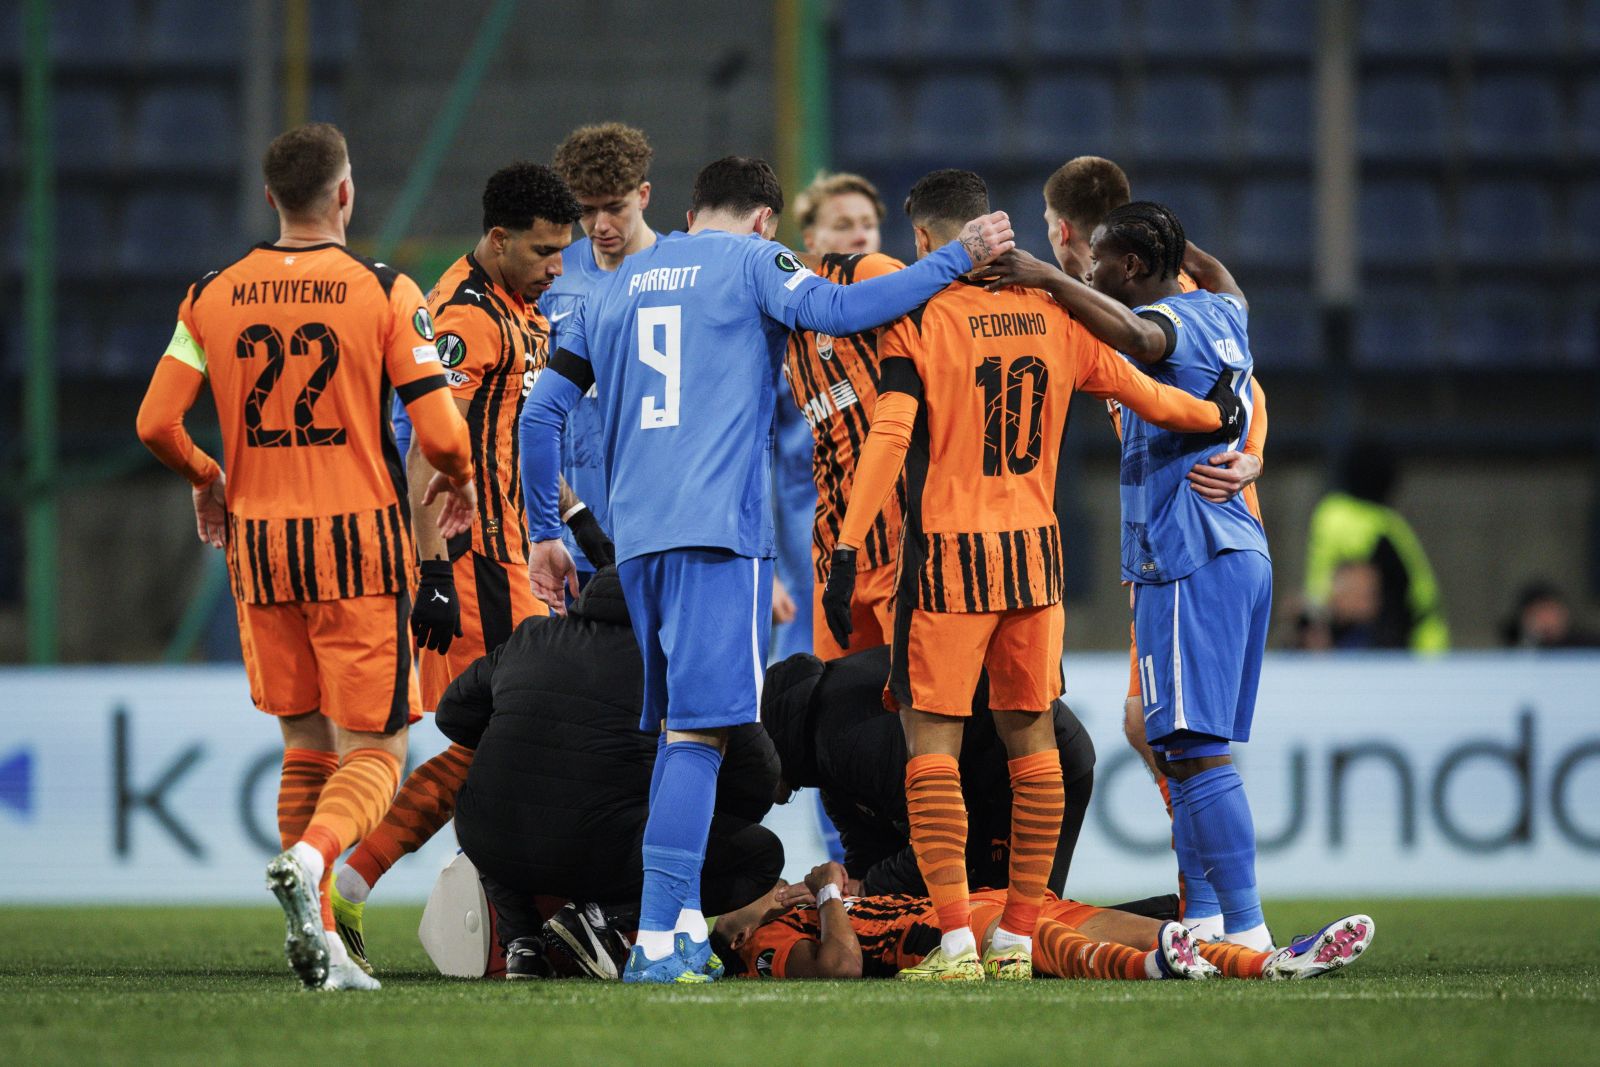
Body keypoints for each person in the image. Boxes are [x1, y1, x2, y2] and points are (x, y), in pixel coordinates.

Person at [520, 154, 1019, 983]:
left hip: (635, 544)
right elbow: (844, 306)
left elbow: (542, 414)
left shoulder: (616, 280)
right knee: (699, 735)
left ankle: (672, 926)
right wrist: (955, 258)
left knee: (679, 735)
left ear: (683, 205)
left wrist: (545, 529)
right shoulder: (756, 261)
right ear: (765, 220)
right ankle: (654, 943)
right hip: (717, 535)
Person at [821, 171, 1242, 981]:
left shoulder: (922, 314)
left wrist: (846, 548)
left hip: (947, 560)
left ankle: (954, 944)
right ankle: (1017, 934)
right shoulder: (1054, 313)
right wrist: (1217, 414)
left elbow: (890, 430)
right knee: (1033, 744)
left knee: (932, 751)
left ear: (925, 242)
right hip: (1034, 562)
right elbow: (1145, 391)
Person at [134, 122, 477, 991]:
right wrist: (461, 476)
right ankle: (317, 858)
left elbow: (154, 424)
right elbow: (439, 434)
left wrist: (209, 475)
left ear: (271, 199)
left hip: (259, 547)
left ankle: (320, 945)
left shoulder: (210, 294)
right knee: (378, 749)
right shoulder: (387, 291)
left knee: (303, 742)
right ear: (346, 194)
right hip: (357, 545)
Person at [980, 201, 1275, 952]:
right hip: (1234, 547)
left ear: (1135, 267)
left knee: (1196, 748)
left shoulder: (1170, 326)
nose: (1094, 269)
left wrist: (1047, 276)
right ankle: (1207, 917)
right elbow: (1216, 271)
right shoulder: (1226, 308)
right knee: (1174, 744)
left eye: (1106, 260)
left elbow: (1142, 333)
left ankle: (1245, 927)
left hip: (1189, 551)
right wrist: (1167, 234)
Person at [330, 164, 582, 963]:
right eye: (544, 251)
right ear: (498, 239)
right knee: (510, 737)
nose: (557, 268)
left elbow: (513, 435)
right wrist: (434, 569)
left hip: (519, 555)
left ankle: (500, 916)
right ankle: (358, 880)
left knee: (512, 740)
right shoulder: (466, 319)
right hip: (479, 564)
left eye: (564, 251)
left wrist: (578, 520)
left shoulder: (519, 306)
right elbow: (423, 448)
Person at [431, 562, 783, 980]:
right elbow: (759, 781)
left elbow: (451, 715)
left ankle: (523, 943)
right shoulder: (682, 660)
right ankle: (601, 916)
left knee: (493, 801)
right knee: (761, 856)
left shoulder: (530, 635)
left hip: (491, 840)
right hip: (602, 850)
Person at [762, 645, 1095, 897]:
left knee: (1017, 923)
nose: (768, 798)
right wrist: (839, 887)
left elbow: (946, 844)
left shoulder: (843, 741)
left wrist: (860, 889)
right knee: (1003, 922)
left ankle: (1144, 934)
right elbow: (871, 852)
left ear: (772, 742)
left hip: (1033, 768)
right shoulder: (827, 750)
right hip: (1008, 773)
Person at [711, 863, 1374, 982]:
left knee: (1158, 930)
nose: (771, 888)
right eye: (751, 897)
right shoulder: (763, 940)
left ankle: (1270, 962)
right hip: (948, 934)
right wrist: (826, 892)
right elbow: (842, 965)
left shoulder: (798, 910)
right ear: (737, 934)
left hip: (981, 900)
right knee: (1061, 946)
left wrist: (831, 896)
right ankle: (1149, 968)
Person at [783, 173, 906, 661]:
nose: (860, 235)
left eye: (868, 224)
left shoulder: (898, 306)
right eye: (844, 224)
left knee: (917, 712)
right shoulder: (788, 322)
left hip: (902, 544)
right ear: (810, 238)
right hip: (830, 550)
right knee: (835, 714)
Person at [539, 123, 661, 589]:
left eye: (615, 207)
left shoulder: (682, 273)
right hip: (573, 534)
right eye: (587, 212)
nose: (601, 226)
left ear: (644, 194)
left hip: (658, 528)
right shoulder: (551, 278)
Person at [1304, 440, 1449, 652]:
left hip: (1409, 651)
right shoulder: (1393, 527)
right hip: (1429, 644)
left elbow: (1324, 596)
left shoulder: (1336, 517)